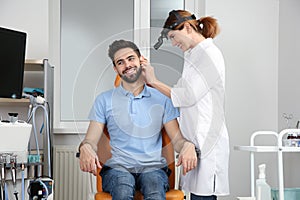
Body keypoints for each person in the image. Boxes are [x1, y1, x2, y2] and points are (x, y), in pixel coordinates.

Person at [79, 39, 198, 200]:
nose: (127, 65)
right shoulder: (104, 100)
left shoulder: (162, 99)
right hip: (118, 169)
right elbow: (90, 140)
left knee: (153, 186)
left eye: (131, 58)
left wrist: (188, 145)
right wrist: (86, 147)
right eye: (120, 62)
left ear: (141, 61)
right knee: (123, 185)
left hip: (153, 169)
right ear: (115, 69)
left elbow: (177, 141)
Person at [142, 10, 230, 200]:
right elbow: (177, 94)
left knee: (203, 196)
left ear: (188, 27)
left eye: (173, 37)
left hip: (207, 140)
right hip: (193, 141)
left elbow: (187, 96)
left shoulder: (209, 54)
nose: (173, 43)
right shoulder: (192, 56)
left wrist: (154, 81)